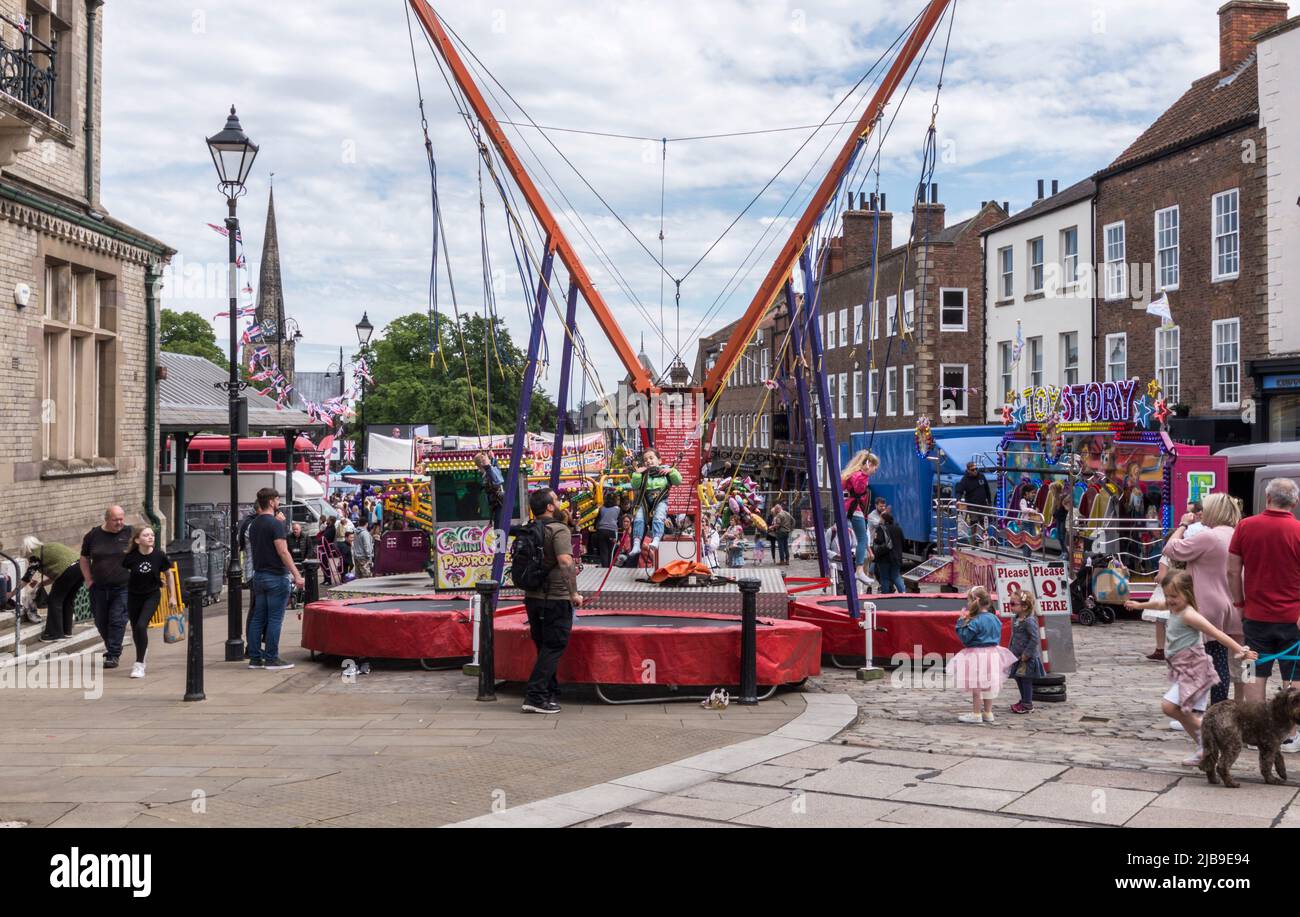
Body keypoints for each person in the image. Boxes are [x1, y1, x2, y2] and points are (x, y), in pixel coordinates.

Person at [1228, 477, 1300, 750]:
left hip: (1255, 616)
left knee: (1251, 671)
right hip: (1293, 617)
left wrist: (1239, 603)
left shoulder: (1245, 527)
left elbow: (1232, 570)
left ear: (1267, 499)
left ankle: (1257, 732)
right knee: (1294, 674)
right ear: (1295, 502)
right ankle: (1290, 734)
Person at [1158, 570, 1255, 766]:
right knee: (1186, 713)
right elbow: (1158, 604)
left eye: (1173, 596)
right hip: (1187, 668)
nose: (1169, 600)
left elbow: (1217, 634)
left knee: (1170, 706)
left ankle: (1223, 726)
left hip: (1199, 665)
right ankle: (1206, 748)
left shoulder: (1190, 614)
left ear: (1187, 593)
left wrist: (1242, 650)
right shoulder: (1176, 609)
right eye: (1167, 595)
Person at [1163, 493, 1241, 705]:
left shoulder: (1209, 537)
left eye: (1204, 509)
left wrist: (1181, 525)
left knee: (1202, 660)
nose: (1200, 513)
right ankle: (1225, 705)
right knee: (1223, 658)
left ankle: (1200, 707)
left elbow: (1171, 549)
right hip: (1231, 602)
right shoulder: (1235, 534)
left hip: (1206, 602)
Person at [521, 488, 583, 714]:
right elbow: (566, 562)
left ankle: (549, 691)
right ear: (549, 507)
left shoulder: (529, 529)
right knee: (554, 645)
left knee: (543, 646)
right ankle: (536, 696)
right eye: (556, 500)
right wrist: (574, 593)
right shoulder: (559, 530)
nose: (559, 503)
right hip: (555, 597)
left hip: (532, 597)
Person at [245, 488, 305, 671]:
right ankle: (271, 658)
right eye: (278, 500)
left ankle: (255, 658)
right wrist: (296, 574)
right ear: (271, 502)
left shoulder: (254, 524)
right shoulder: (275, 525)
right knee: (274, 619)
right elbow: (283, 551)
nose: (279, 503)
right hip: (275, 577)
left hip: (259, 576)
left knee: (258, 618)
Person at [949, 586, 1017, 725]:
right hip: (993, 653)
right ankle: (988, 712)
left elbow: (966, 638)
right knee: (989, 684)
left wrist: (961, 623)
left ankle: (976, 713)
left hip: (976, 655)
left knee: (976, 685)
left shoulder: (976, 620)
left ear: (975, 602)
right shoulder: (994, 618)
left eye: (969, 600)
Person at [80, 505, 133, 669]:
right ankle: (114, 645)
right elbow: (84, 558)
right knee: (101, 621)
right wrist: (88, 580)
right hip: (99, 587)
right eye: (115, 519)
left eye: (121, 519)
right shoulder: (93, 535)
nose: (119, 522)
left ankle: (113, 654)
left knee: (117, 619)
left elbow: (144, 552)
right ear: (106, 519)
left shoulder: (130, 533)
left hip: (123, 586)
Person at [121, 526, 172, 679]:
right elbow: (125, 574)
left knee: (142, 625)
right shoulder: (130, 557)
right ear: (137, 540)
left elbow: (168, 575)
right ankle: (142, 651)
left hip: (152, 595)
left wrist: (173, 596)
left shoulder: (159, 555)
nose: (151, 537)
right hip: (133, 596)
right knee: (137, 629)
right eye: (146, 535)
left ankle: (139, 664)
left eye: (152, 535)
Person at [627, 449, 682, 565]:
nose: (648, 461)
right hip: (645, 501)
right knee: (638, 519)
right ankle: (637, 544)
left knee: (659, 517)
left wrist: (671, 470)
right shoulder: (643, 472)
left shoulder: (665, 471)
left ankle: (656, 538)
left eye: (651, 458)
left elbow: (678, 481)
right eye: (646, 459)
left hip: (660, 499)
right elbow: (635, 485)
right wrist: (637, 473)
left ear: (659, 460)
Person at [24, 536, 82, 640]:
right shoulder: (50, 547)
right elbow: (56, 575)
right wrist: (39, 584)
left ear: (27, 549)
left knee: (54, 600)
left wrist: (11, 593)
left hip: (69, 571)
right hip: (81, 567)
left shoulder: (35, 555)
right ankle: (66, 631)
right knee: (68, 600)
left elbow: (26, 578)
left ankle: (54, 634)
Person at [840, 450, 879, 589]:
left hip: (849, 509)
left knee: (858, 539)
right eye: (875, 467)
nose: (875, 471)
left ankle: (858, 569)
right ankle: (859, 570)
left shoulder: (851, 473)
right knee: (863, 539)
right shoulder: (859, 475)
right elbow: (858, 488)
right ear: (869, 464)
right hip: (854, 510)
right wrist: (865, 473)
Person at [1007, 591, 1046, 714]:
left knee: (1026, 680)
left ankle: (1027, 704)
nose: (1010, 606)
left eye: (1013, 604)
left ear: (1024, 606)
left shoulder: (1029, 621)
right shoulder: (1016, 618)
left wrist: (1027, 654)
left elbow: (1034, 639)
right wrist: (1010, 651)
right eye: (1010, 603)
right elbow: (1014, 637)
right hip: (1017, 656)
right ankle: (1024, 700)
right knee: (1018, 678)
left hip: (1027, 658)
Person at [954, 461, 993, 545]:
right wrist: (958, 500)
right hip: (972, 505)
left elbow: (987, 489)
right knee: (974, 523)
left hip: (983, 504)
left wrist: (989, 501)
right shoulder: (965, 480)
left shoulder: (981, 476)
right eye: (973, 470)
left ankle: (985, 542)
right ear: (968, 470)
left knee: (984, 523)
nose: (975, 471)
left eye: (976, 469)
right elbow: (959, 491)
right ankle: (973, 543)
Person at [872, 511, 907, 593]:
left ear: (884, 519)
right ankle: (903, 592)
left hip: (884, 557)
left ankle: (886, 595)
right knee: (896, 576)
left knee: (884, 577)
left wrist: (874, 537)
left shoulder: (880, 528)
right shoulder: (898, 528)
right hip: (896, 557)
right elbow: (903, 542)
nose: (879, 519)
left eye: (881, 518)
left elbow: (878, 541)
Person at [593, 491, 620, 568]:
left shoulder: (602, 508)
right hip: (612, 531)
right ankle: (609, 567)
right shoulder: (617, 509)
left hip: (601, 530)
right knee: (611, 550)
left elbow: (597, 520)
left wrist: (595, 527)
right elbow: (620, 520)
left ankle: (604, 567)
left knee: (603, 550)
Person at [475, 452, 505, 519]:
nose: (489, 460)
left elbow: (496, 473)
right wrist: (490, 462)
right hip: (497, 507)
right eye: (488, 459)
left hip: (499, 507)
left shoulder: (491, 472)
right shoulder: (490, 473)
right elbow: (496, 477)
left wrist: (491, 460)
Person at [1017, 482, 1042, 559]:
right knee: (1026, 541)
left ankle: (1029, 556)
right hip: (1025, 523)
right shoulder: (1023, 501)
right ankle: (1026, 557)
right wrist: (1031, 510)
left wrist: (1036, 512)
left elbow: (1034, 511)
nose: (1034, 494)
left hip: (1032, 523)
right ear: (1026, 493)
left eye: (1034, 493)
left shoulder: (1032, 502)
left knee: (1031, 541)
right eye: (1032, 493)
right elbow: (1023, 509)